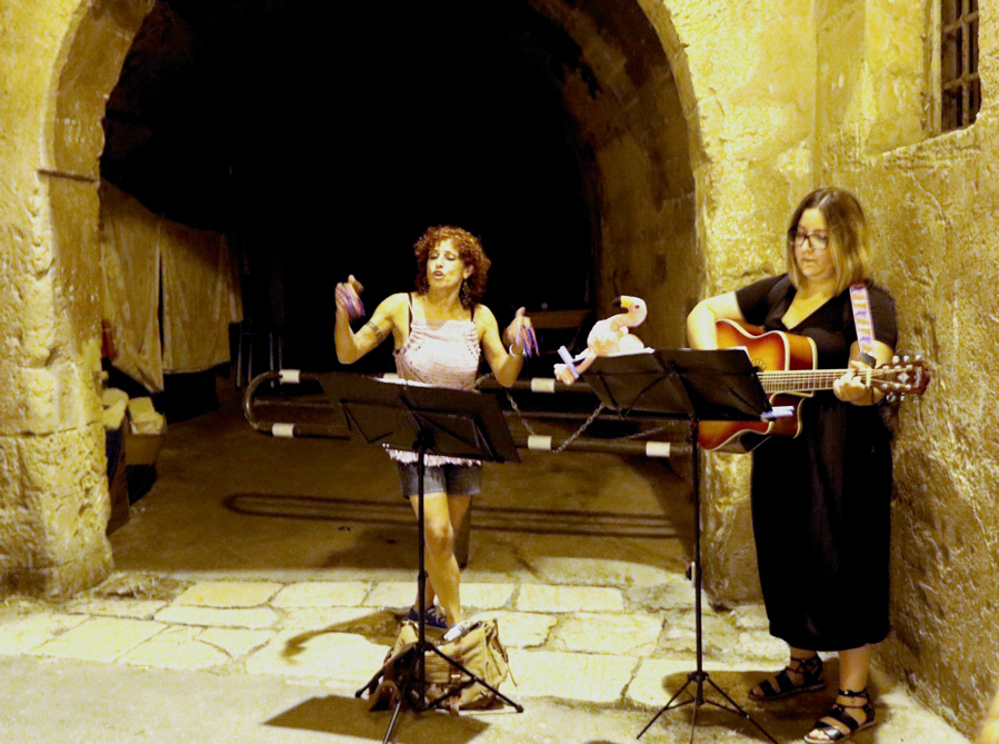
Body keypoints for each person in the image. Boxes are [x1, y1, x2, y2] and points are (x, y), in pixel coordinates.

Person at [686, 188, 897, 743]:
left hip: (841, 452)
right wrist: (719, 376)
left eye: (820, 237)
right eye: (800, 235)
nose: (807, 247)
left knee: (842, 564)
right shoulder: (779, 291)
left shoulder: (866, 303)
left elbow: (875, 372)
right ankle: (803, 666)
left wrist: (860, 386)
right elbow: (704, 312)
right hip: (780, 444)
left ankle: (854, 699)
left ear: (846, 241)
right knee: (782, 555)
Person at [334, 225, 531, 635]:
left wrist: (517, 345)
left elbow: (507, 375)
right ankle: (458, 626)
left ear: (468, 269)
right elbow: (348, 353)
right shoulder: (400, 307)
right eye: (433, 256)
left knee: (444, 539)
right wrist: (341, 314)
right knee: (438, 533)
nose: (438, 264)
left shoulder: (480, 317)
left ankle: (422, 607)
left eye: (449, 258)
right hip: (416, 437)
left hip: (464, 436)